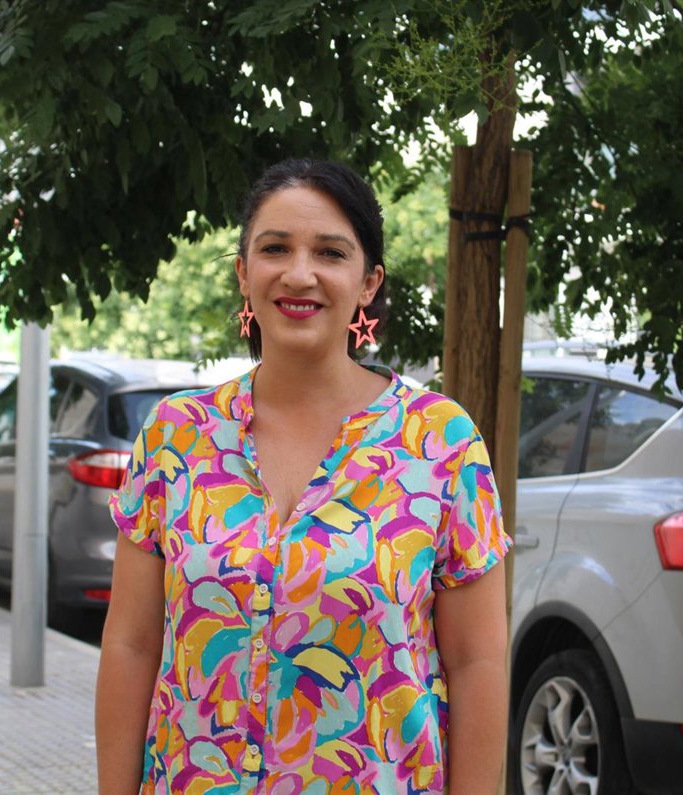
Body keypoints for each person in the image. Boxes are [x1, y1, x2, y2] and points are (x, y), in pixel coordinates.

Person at [95, 159, 512, 794]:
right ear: (244, 272)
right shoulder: (175, 435)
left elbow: (477, 662)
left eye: (330, 253)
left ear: (368, 283)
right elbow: (131, 644)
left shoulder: (441, 441)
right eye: (275, 249)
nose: (299, 274)